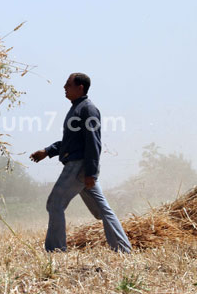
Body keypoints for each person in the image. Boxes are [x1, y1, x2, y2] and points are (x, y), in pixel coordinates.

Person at [30, 73, 131, 253]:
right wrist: (47, 151)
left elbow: (94, 142)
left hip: (79, 165)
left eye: (68, 84)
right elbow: (71, 142)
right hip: (83, 166)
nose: (64, 87)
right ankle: (123, 249)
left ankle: (56, 251)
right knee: (102, 209)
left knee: (55, 204)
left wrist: (91, 172)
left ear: (80, 88)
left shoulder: (88, 109)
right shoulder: (77, 108)